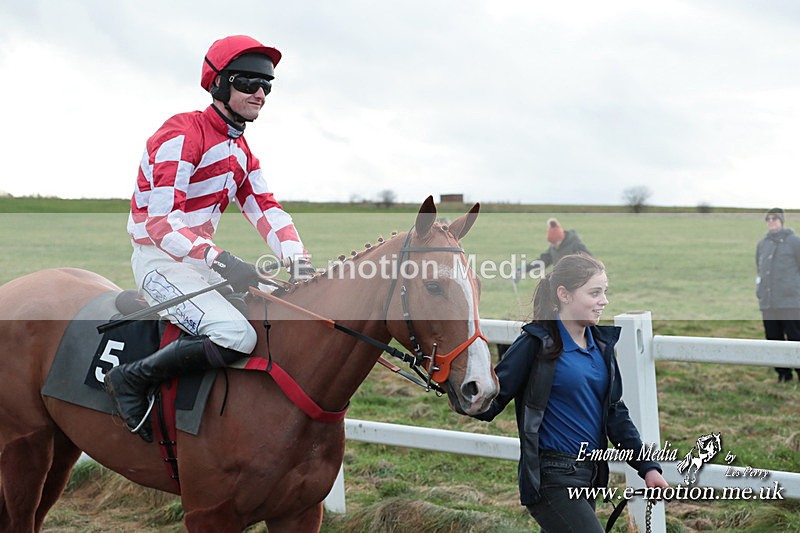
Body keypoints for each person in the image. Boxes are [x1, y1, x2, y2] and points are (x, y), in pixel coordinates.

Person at [104, 35, 314, 442]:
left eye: (267, 85)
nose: (260, 94)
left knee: (278, 314)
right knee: (236, 335)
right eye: (249, 83)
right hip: (159, 261)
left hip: (200, 264)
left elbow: (266, 209)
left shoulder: (242, 150)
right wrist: (221, 259)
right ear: (219, 84)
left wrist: (298, 260)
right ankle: (130, 379)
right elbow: (162, 225)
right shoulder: (181, 134)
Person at [473, 254, 668, 531]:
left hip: (588, 479)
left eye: (605, 292)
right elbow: (489, 401)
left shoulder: (601, 347)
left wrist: (648, 467)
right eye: (594, 293)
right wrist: (454, 382)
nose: (604, 300)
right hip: (551, 477)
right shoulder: (535, 344)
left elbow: (616, 416)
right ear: (564, 294)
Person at [755, 207, 800, 382]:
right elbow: (760, 270)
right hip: (768, 303)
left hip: (791, 302)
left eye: (774, 218)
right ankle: (783, 375)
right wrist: (760, 292)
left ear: (781, 221)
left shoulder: (794, 242)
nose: (771, 222)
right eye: (768, 219)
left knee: (795, 338)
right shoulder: (762, 244)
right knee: (773, 339)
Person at [518, 217, 592, 276]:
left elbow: (590, 261)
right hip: (559, 280)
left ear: (561, 238)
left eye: (555, 242)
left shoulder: (575, 245)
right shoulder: (553, 248)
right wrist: (524, 269)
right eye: (552, 243)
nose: (554, 245)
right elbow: (542, 262)